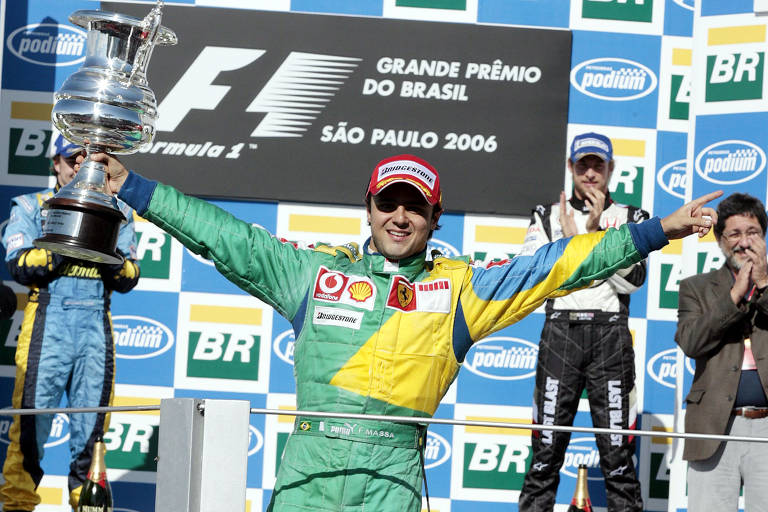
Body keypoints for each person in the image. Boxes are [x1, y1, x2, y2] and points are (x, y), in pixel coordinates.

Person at [87, 150, 717, 512]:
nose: (398, 216)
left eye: (414, 206)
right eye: (387, 202)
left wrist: (655, 230)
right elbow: (228, 239)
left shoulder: (464, 287)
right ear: (368, 207)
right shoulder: (314, 272)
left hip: (393, 475)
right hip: (309, 470)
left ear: (434, 217)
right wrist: (136, 189)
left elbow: (556, 266)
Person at [0, 136, 140, 512]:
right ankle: (16, 506)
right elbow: (22, 266)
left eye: (84, 158)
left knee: (92, 435)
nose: (79, 165)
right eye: (70, 158)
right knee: (28, 432)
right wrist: (71, 234)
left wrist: (96, 233)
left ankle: (87, 505)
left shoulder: (115, 212)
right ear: (55, 164)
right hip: (48, 326)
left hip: (95, 328)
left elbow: (128, 277)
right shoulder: (30, 207)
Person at [518, 132, 646, 512]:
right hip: (561, 333)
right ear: (571, 168)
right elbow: (536, 276)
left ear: (611, 169)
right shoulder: (547, 216)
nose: (590, 173)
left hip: (610, 335)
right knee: (544, 456)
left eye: (598, 164)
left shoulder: (630, 217)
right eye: (582, 164)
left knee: (619, 461)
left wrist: (593, 239)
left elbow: (635, 281)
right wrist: (575, 245)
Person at [675, 192, 768, 512]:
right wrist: (733, 298)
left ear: (764, 237)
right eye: (735, 234)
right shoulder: (695, 288)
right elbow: (690, 343)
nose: (744, 242)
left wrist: (764, 284)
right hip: (713, 426)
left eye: (753, 232)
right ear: (720, 241)